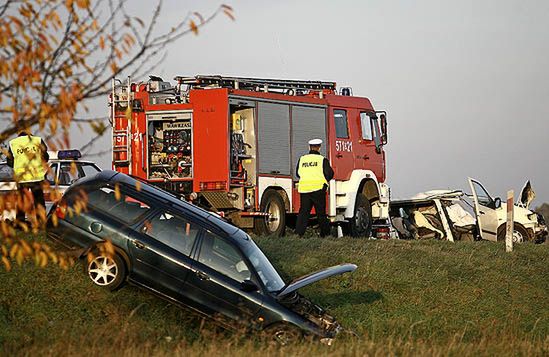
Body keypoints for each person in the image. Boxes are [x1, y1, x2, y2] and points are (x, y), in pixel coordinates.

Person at [7, 130, 49, 223]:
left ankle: (20, 223)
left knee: (21, 202)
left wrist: (18, 165)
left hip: (22, 178)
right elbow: (45, 156)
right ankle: (41, 222)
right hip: (36, 177)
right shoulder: (38, 140)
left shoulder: (13, 143)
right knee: (39, 202)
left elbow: (9, 161)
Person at [295, 138, 334, 237]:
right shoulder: (322, 160)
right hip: (318, 189)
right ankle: (325, 234)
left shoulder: (302, 159)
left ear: (309, 147)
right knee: (321, 214)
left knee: (303, 213)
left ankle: (298, 234)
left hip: (304, 190)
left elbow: (298, 173)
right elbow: (329, 174)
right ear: (319, 147)